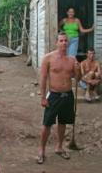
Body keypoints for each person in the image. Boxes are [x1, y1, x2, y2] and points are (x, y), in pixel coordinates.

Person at [36, 32, 81, 164]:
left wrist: (78, 70)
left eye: (66, 41)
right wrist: (43, 97)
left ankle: (59, 147)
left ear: (68, 43)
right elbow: (43, 78)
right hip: (54, 95)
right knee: (47, 124)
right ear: (56, 42)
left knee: (63, 123)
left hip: (68, 95)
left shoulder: (72, 60)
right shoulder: (48, 58)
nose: (64, 43)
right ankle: (41, 150)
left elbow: (77, 79)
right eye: (61, 41)